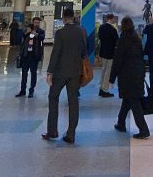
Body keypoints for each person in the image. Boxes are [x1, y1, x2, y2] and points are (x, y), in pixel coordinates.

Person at [42, 8, 87, 144]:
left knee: (53, 97)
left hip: (61, 72)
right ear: (73, 17)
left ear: (63, 18)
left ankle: (52, 131)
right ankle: (71, 134)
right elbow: (84, 51)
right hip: (75, 72)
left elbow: (56, 53)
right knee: (73, 102)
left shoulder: (60, 33)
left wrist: (50, 72)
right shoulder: (81, 32)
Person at [110, 16, 150, 139]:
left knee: (134, 102)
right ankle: (121, 123)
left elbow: (118, 60)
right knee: (127, 100)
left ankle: (144, 130)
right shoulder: (136, 38)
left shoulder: (123, 40)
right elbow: (141, 57)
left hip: (127, 76)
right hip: (137, 74)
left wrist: (112, 78)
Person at [16, 23, 45, 98]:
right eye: (35, 22)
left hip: (34, 57)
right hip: (25, 56)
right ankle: (22, 91)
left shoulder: (40, 31)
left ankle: (31, 91)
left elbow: (42, 38)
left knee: (33, 74)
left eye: (37, 22)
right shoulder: (26, 32)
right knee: (24, 74)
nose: (36, 24)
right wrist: (26, 33)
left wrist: (36, 35)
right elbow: (21, 40)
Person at [97, 14, 119, 97]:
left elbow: (99, 37)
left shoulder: (101, 27)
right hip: (110, 52)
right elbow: (117, 40)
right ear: (112, 19)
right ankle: (104, 89)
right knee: (108, 71)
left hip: (103, 52)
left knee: (103, 70)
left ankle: (101, 87)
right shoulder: (113, 29)